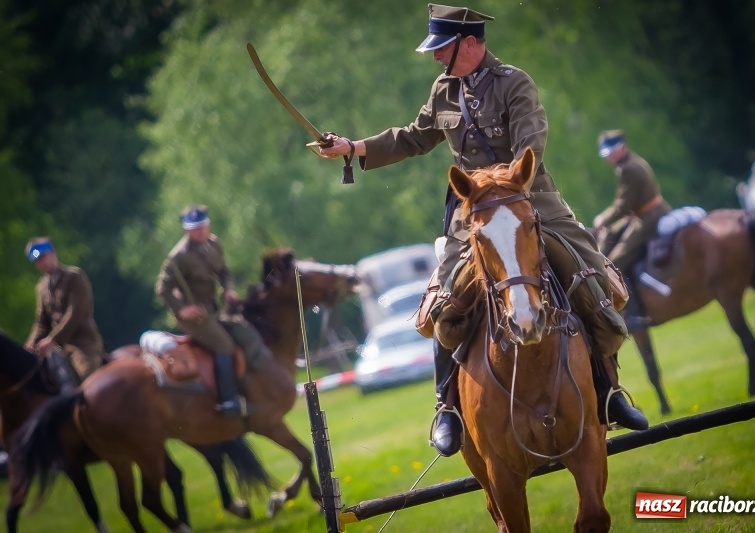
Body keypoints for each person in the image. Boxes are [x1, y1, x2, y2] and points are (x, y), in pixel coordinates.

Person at [320, 4, 648, 456]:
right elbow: (415, 137)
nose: (435, 57)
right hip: (472, 213)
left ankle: (610, 392)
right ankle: (447, 409)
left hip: (528, 200)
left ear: (470, 44)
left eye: (442, 48)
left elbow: (530, 148)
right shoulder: (443, 90)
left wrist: (506, 188)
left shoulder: (515, 83)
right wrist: (352, 147)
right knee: (446, 301)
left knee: (592, 282)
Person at [155, 205, 253, 416]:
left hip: (215, 308)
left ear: (208, 225)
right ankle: (228, 401)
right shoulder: (178, 257)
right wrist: (182, 310)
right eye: (193, 228)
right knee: (224, 345)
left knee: (244, 332)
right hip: (195, 317)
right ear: (186, 230)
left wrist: (228, 289)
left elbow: (225, 272)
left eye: (202, 226)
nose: (198, 231)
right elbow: (163, 288)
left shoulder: (214, 244)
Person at [593, 130, 672, 324]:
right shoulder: (633, 162)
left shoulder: (628, 168)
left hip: (648, 217)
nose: (610, 157)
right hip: (646, 213)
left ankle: (634, 313)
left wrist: (602, 220)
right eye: (607, 153)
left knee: (616, 261)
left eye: (612, 152)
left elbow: (623, 205)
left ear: (622, 147)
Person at [24, 237, 105, 387]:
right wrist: (31, 342)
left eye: (44, 256)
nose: (42, 262)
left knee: (88, 381)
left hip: (82, 344)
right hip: (57, 349)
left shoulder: (74, 276)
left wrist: (53, 338)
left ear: (53, 253)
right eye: (37, 260)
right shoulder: (41, 287)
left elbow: (76, 313)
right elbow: (42, 321)